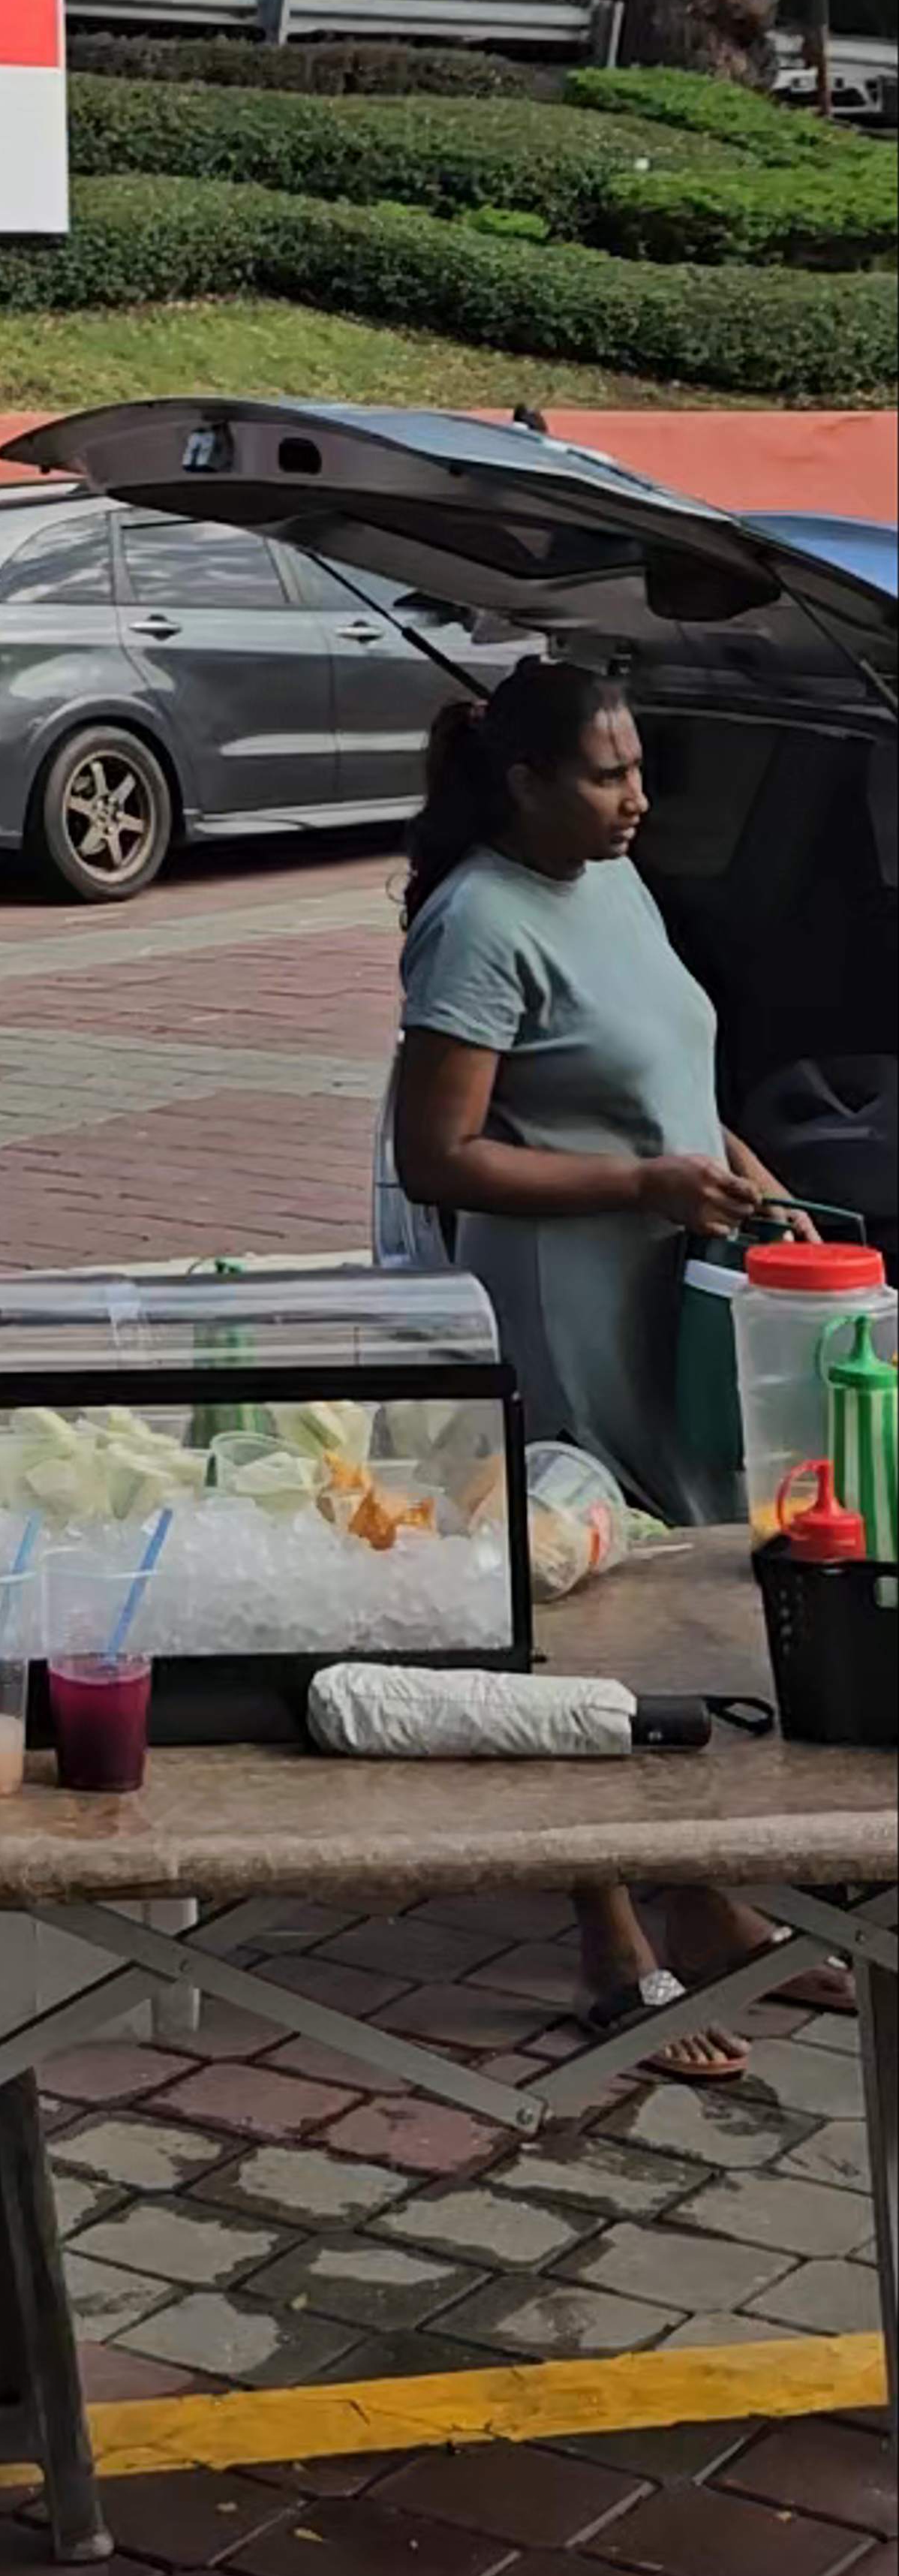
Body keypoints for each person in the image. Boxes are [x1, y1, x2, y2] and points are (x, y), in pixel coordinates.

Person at [392, 657, 832, 2086]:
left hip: (672, 1292)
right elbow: (440, 1157)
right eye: (605, 772)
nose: (637, 796)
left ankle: (697, 1893)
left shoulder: (614, 881)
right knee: (583, 1608)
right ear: (522, 781)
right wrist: (638, 1182)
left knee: (685, 1588)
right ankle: (606, 1935)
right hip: (562, 1299)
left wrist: (757, 1184)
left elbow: (676, 1083)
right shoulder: (478, 923)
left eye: (639, 767)